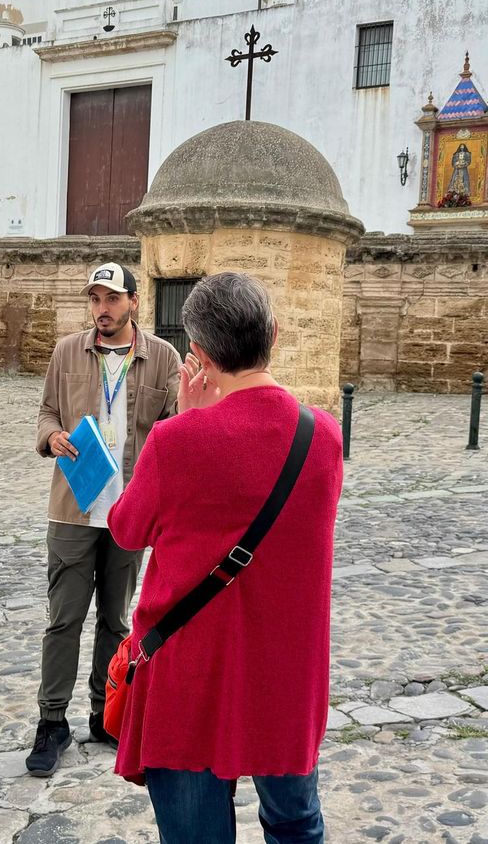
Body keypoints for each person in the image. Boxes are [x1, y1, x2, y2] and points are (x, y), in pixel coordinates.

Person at [108, 272, 343, 844]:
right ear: (275, 335)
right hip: (285, 675)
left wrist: (186, 420)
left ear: (200, 357)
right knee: (294, 825)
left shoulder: (176, 442)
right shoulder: (324, 436)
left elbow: (127, 529)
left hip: (189, 673)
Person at [28, 262, 180, 776]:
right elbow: (48, 411)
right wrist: (52, 437)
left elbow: (173, 432)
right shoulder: (68, 351)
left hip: (128, 510)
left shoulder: (162, 358)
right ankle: (52, 721)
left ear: (134, 301)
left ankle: (105, 713)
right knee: (64, 620)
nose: (102, 309)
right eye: (95, 299)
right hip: (74, 506)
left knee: (116, 621)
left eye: (112, 299)